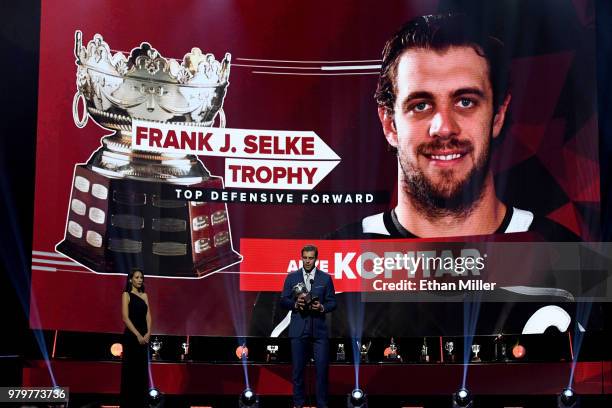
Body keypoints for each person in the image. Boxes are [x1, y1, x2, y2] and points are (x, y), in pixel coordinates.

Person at [331, 13, 576, 241]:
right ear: (389, 124)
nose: (444, 128)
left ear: (498, 115)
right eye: (420, 106)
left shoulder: (564, 254)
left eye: (465, 102)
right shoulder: (334, 261)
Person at [280, 245, 336, 408]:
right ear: (301, 258)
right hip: (298, 330)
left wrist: (322, 307)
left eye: (310, 258)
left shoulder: (325, 278)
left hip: (319, 332)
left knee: (322, 372)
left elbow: (333, 302)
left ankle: (322, 404)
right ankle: (298, 404)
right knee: (298, 372)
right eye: (305, 257)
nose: (307, 261)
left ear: (316, 259)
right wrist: (295, 304)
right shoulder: (292, 277)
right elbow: (283, 300)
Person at [120, 269, 152, 407]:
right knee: (131, 371)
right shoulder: (126, 295)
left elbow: (149, 316)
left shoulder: (144, 296)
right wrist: (138, 335)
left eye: (141, 278)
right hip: (131, 337)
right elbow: (125, 318)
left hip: (144, 338)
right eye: (137, 277)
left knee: (141, 372)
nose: (140, 280)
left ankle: (141, 403)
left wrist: (148, 333)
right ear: (130, 279)